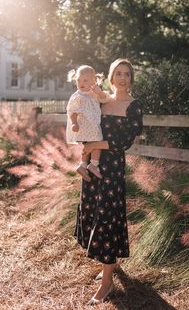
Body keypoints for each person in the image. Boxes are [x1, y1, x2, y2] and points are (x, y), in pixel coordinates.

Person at [74, 58, 143, 304]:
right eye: (118, 74)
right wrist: (85, 145)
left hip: (112, 170)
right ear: (111, 77)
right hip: (94, 168)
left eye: (127, 74)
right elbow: (89, 124)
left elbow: (123, 142)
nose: (122, 78)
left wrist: (94, 145)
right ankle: (109, 266)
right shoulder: (101, 100)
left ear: (131, 78)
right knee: (94, 213)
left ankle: (107, 283)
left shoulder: (134, 106)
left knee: (107, 217)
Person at [66, 65, 110, 181]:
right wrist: (74, 123)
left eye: (85, 80)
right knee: (97, 141)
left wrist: (99, 92)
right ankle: (93, 165)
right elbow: (72, 111)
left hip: (91, 124)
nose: (81, 83)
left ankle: (83, 165)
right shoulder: (77, 96)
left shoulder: (94, 93)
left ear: (94, 81)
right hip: (85, 125)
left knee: (88, 145)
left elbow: (105, 99)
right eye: (79, 80)